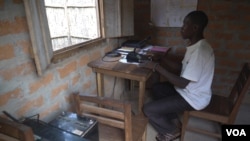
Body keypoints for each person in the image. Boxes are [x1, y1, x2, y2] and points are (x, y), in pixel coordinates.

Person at [139, 10, 215, 141]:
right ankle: (174, 120)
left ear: (195, 28)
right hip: (189, 91)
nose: (181, 28)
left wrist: (156, 67)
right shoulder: (196, 45)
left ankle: (172, 131)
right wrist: (162, 58)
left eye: (185, 25)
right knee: (157, 89)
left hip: (194, 98)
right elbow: (181, 68)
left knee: (148, 110)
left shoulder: (199, 51)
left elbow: (182, 82)